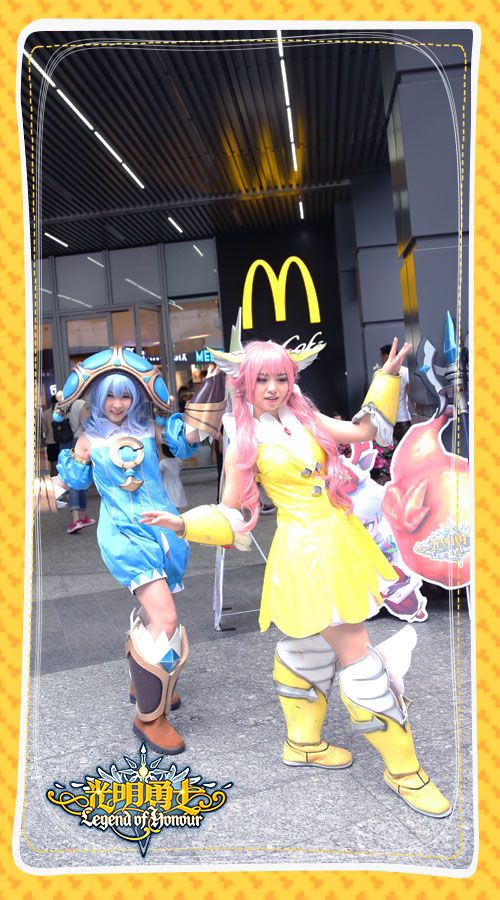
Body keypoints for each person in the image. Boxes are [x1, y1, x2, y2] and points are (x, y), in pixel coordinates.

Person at [140, 337, 451, 818]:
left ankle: (303, 744)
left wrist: (386, 378)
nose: (272, 387)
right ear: (245, 382)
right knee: (360, 658)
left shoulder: (305, 418)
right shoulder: (244, 439)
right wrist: (183, 523)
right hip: (307, 555)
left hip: (338, 540)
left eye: (281, 377)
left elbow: (364, 429)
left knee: (308, 644)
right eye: (262, 378)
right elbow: (232, 512)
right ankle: (405, 771)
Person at [53, 347, 223, 755]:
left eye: (126, 394)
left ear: (137, 396)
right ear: (97, 397)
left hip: (163, 531)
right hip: (124, 535)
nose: (117, 403)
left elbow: (190, 439)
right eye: (110, 395)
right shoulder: (88, 440)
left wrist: (218, 384)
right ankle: (149, 718)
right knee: (167, 618)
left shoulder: (151, 428)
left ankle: (143, 680)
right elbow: (67, 483)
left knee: (152, 616)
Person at [377, 344, 412, 442]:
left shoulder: (381, 374)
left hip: (390, 421)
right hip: (401, 420)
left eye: (381, 356)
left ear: (386, 356)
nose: (380, 360)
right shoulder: (405, 372)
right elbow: (411, 396)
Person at [40, 395, 60, 477]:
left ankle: (55, 484)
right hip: (63, 442)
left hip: (51, 443)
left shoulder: (45, 414)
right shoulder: (63, 412)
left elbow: (45, 430)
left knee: (53, 468)